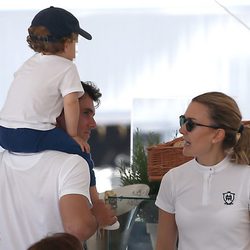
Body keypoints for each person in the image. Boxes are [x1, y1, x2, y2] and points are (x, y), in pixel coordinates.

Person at [0, 81, 117, 250]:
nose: (93, 124)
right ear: (57, 113)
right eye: (86, 113)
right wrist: (99, 217)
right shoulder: (73, 163)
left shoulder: (2, 160)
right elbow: (77, 228)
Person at [0, 6, 97, 187]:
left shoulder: (29, 63)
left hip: (4, 133)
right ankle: (93, 198)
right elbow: (70, 102)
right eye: (76, 43)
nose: (75, 49)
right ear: (67, 43)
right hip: (30, 134)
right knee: (81, 152)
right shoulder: (67, 67)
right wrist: (73, 135)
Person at [155, 91, 250, 250]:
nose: (182, 130)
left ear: (217, 135)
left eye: (190, 124)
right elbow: (163, 247)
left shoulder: (247, 179)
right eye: (183, 121)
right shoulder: (173, 179)